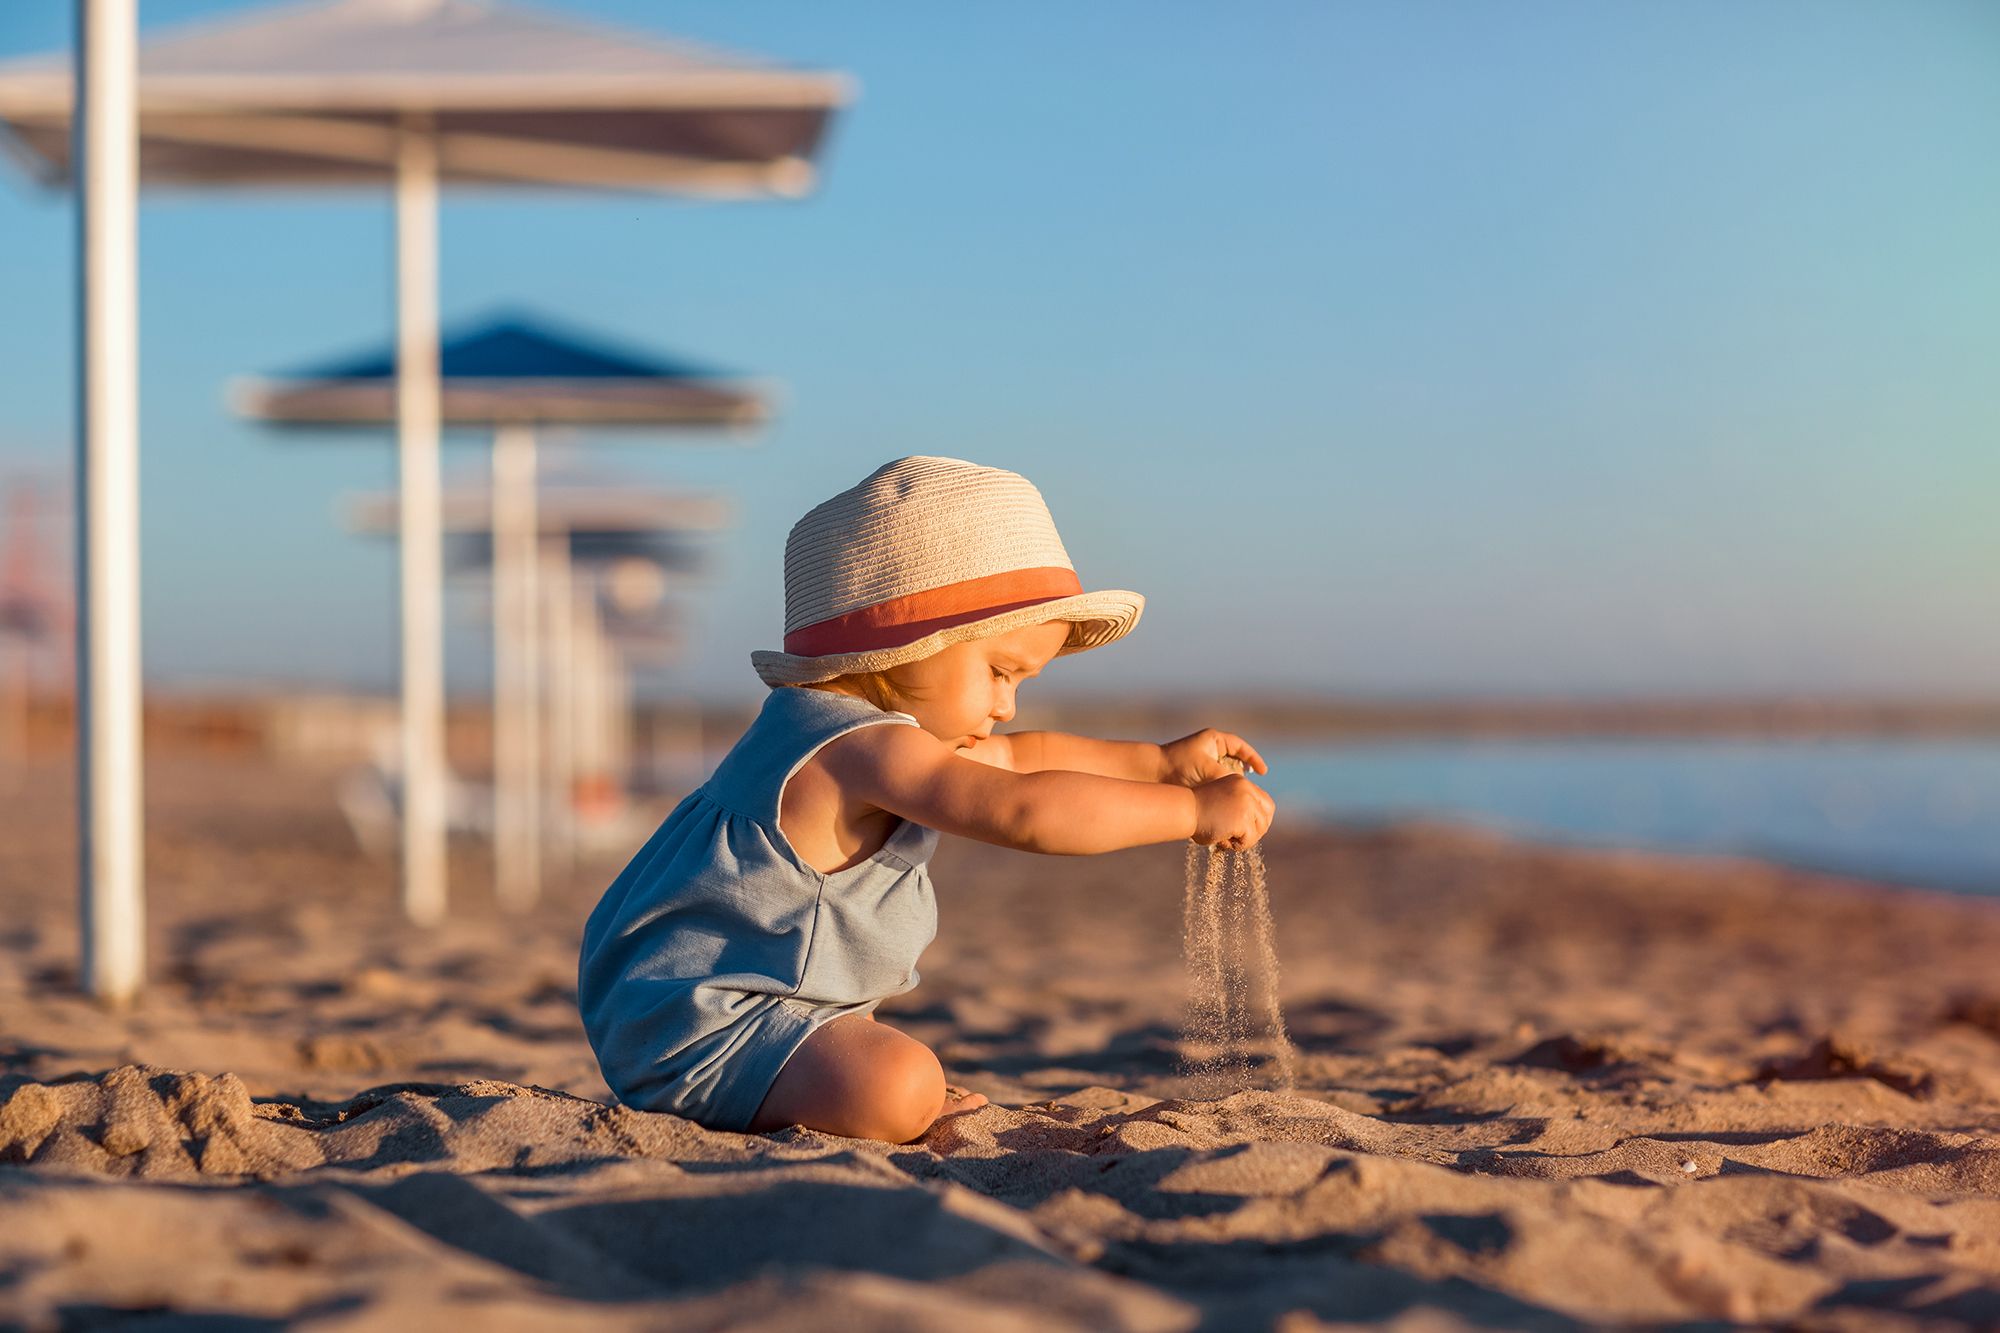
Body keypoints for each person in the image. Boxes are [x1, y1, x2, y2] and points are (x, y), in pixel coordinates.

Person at [578, 456, 1275, 1144]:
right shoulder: (859, 748)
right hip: (710, 1027)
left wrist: (1156, 764)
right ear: (906, 647)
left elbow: (1023, 756)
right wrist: (1191, 813)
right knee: (902, 1084)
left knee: (893, 1066)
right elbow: (1023, 807)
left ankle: (827, 1068)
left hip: (718, 1007)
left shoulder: (841, 728)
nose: (1006, 705)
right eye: (1000, 672)